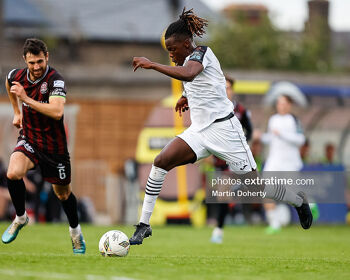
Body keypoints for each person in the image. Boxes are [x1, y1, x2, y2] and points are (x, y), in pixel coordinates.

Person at [129, 8, 312, 245]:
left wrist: (152, 65)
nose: (171, 55)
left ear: (187, 44)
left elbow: (190, 73)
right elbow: (199, 83)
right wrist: (186, 96)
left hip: (225, 131)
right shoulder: (187, 60)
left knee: (255, 188)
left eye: (173, 49)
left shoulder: (202, 53)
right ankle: (144, 225)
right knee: (160, 162)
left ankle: (298, 200)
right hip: (200, 131)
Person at [1, 38, 86, 254]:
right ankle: (20, 218)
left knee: (63, 194)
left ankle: (76, 233)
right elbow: (9, 82)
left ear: (47, 57)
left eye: (40, 61)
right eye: (32, 63)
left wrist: (26, 100)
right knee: (13, 173)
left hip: (54, 148)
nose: (37, 67)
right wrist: (17, 112)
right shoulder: (17, 76)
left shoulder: (55, 80)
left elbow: (57, 111)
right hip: (29, 139)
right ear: (25, 61)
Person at [210, 75, 254, 243]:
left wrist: (242, 144)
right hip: (218, 160)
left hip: (234, 158)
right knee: (223, 195)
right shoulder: (214, 108)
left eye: (228, 87)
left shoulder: (240, 110)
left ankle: (218, 231)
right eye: (223, 87)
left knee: (223, 191)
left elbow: (249, 130)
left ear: (233, 90)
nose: (226, 90)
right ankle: (225, 221)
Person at [262, 95, 306, 234]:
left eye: (283, 103)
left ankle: (310, 206)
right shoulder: (273, 119)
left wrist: (282, 134)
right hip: (274, 161)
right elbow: (270, 138)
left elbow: (300, 139)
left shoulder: (294, 120)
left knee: (293, 194)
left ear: (289, 105)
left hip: (290, 163)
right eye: (279, 103)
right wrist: (261, 137)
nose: (281, 106)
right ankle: (274, 223)